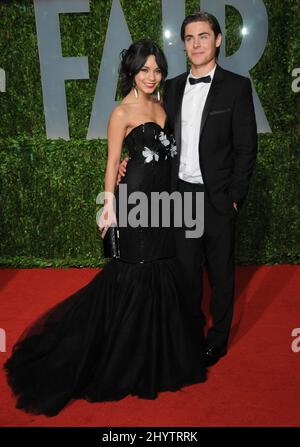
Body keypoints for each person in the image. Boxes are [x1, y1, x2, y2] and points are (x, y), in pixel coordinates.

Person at [4, 39, 207, 417]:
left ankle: (154, 359)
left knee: (161, 269)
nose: (151, 76)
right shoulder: (121, 112)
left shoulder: (163, 107)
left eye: (157, 69)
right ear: (131, 71)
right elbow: (113, 162)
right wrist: (108, 207)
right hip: (135, 205)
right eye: (144, 69)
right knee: (134, 272)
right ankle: (121, 360)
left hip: (165, 206)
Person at [119, 13, 258, 367]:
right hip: (181, 196)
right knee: (185, 271)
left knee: (222, 275)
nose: (196, 44)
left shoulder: (237, 86)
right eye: (190, 38)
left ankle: (217, 340)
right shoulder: (174, 86)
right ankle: (190, 335)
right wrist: (130, 162)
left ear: (219, 40)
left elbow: (246, 147)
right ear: (183, 44)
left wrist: (235, 197)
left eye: (203, 36)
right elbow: (158, 138)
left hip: (218, 197)